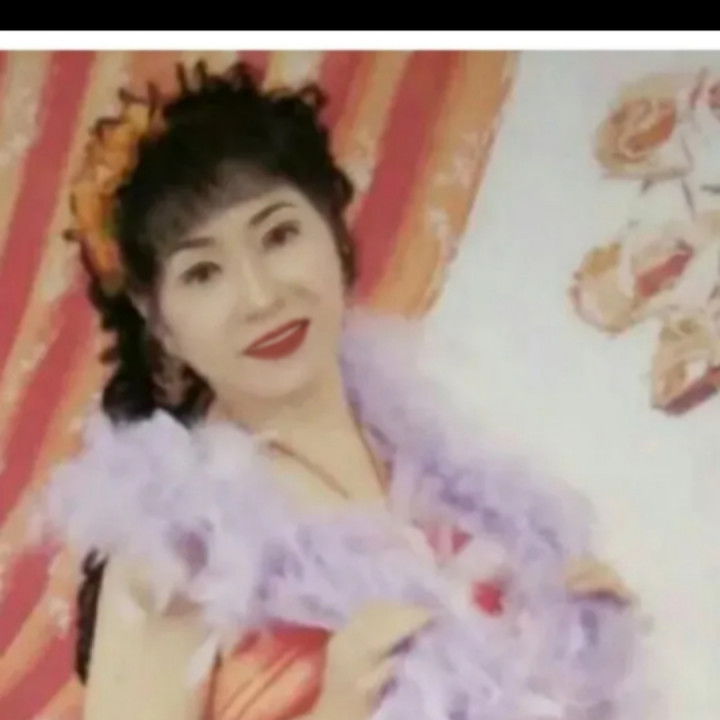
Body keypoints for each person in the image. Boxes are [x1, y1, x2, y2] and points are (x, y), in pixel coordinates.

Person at [41, 60, 643, 720]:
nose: (261, 296)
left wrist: (573, 645)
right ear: (160, 323)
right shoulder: (171, 550)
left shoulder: (447, 476)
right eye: (204, 273)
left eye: (278, 235)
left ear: (334, 234)